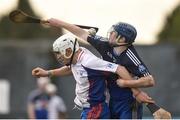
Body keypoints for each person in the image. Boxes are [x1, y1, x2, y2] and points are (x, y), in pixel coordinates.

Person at [45, 18, 172, 119]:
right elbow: (81, 33)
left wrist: (127, 83)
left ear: (121, 39)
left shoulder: (130, 56)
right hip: (111, 98)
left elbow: (150, 80)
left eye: (113, 33)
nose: (109, 34)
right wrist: (58, 23)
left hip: (129, 102)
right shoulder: (104, 44)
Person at [32, 34, 154, 119]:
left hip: (95, 109)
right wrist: (48, 73)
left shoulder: (88, 61)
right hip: (91, 110)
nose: (58, 57)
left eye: (59, 53)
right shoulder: (77, 56)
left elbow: (119, 68)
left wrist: (136, 92)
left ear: (68, 50)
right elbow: (72, 68)